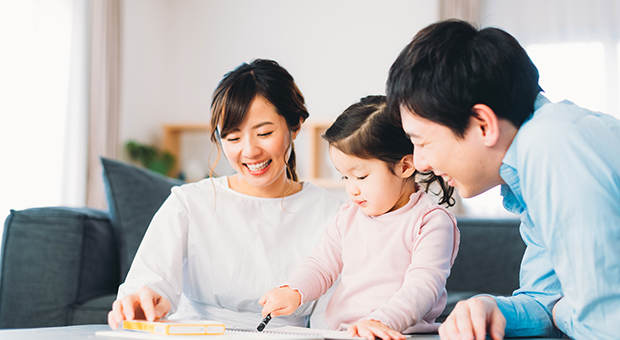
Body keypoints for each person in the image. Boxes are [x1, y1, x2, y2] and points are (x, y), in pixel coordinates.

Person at [386, 19, 620, 340]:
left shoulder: (552, 145)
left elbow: (604, 324)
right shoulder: (532, 156)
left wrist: (561, 310)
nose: (421, 163)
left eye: (423, 142)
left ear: (483, 123)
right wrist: (490, 307)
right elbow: (545, 298)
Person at [107, 59, 343, 330]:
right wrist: (140, 300)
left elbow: (334, 314)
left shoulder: (331, 213)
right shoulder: (188, 203)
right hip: (195, 333)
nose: (250, 150)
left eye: (264, 133)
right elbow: (148, 281)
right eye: (232, 138)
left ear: (295, 125)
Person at [259, 95, 460, 340]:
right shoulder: (349, 215)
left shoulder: (431, 221)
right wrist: (294, 290)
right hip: (343, 333)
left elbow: (424, 285)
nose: (351, 189)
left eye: (361, 176)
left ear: (405, 166)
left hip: (399, 332)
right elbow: (322, 264)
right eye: (345, 177)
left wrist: (382, 321)